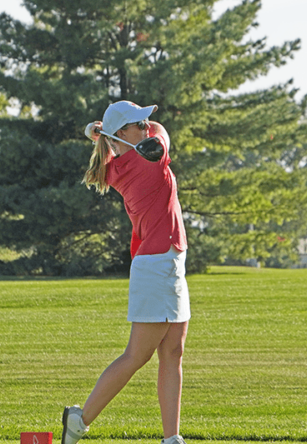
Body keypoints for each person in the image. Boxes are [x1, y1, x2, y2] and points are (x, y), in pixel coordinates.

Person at [62, 100, 190, 444]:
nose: (148, 126)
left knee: (172, 352)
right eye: (139, 122)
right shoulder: (149, 158)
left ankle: (171, 438)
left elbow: (114, 145)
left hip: (167, 261)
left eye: (146, 119)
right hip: (157, 263)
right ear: (123, 134)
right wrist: (98, 133)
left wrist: (96, 133)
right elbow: (162, 133)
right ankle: (80, 420)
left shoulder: (119, 163)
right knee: (138, 355)